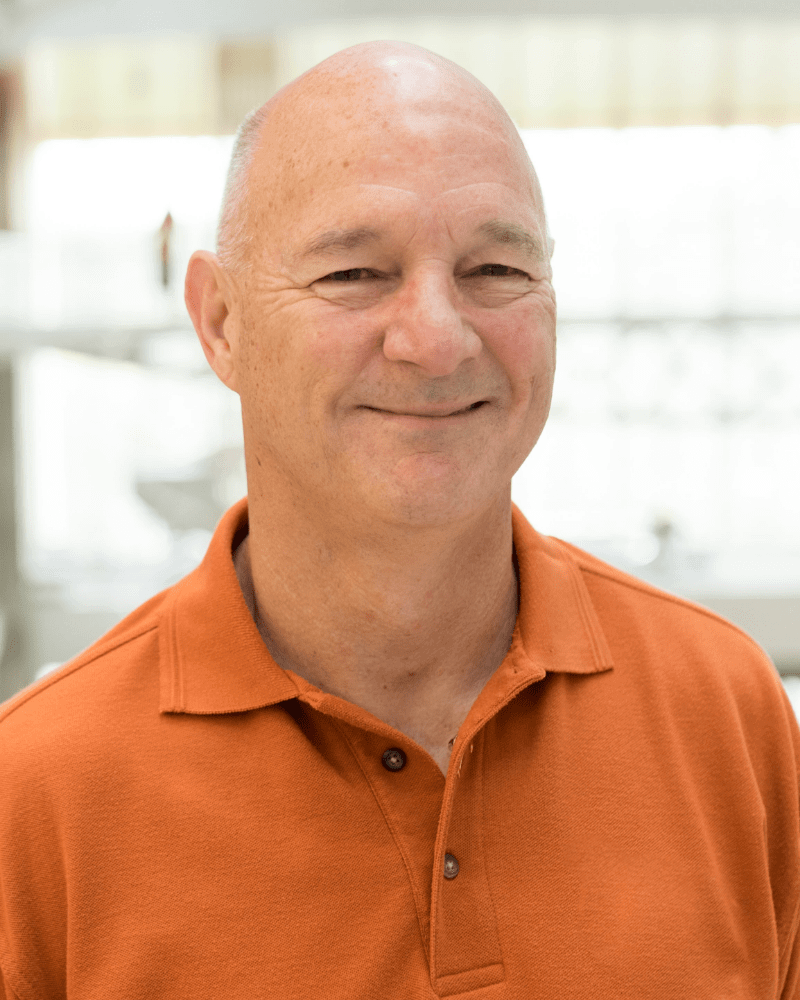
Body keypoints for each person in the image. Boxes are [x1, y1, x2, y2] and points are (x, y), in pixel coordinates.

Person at [1, 41, 799, 1000]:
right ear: (221, 323)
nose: (436, 338)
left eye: (496, 267)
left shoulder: (727, 712)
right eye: (354, 275)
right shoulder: (35, 797)